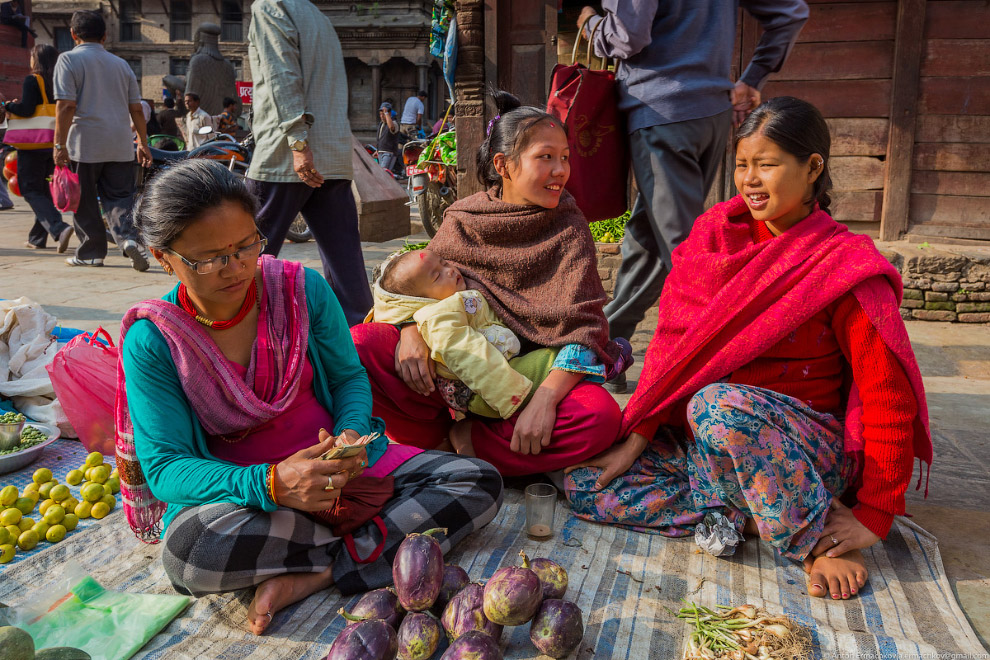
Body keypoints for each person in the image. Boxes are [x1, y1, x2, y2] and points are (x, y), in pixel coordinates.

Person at [564, 98, 933, 602]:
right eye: (742, 165)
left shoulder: (842, 265)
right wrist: (641, 433)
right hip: (716, 444)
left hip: (805, 449)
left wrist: (876, 513)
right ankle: (755, 513)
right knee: (588, 485)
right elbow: (677, 355)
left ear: (813, 167)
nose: (750, 180)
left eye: (767, 164)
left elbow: (887, 395)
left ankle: (813, 540)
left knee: (717, 407)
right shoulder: (715, 239)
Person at [120, 159, 503, 636]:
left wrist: (351, 436)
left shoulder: (301, 290)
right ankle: (374, 544)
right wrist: (272, 483)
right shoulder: (154, 341)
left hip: (344, 471)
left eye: (246, 246)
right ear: (164, 257)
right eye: (211, 258)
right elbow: (166, 469)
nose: (236, 267)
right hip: (251, 496)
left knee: (477, 481)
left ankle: (318, 573)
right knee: (190, 554)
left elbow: (347, 379)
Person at [351, 90, 628, 477]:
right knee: (364, 345)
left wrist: (545, 400)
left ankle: (466, 446)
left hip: (530, 375)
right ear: (504, 164)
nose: (560, 170)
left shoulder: (569, 227)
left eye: (564, 157)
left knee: (600, 417)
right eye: (545, 157)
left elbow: (584, 330)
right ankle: (437, 441)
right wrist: (410, 327)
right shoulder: (465, 218)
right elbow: (406, 287)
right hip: (455, 380)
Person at [577, 0, 809, 393]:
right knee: (649, 237)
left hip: (661, 112)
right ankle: (604, 352)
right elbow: (791, 13)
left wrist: (590, 24)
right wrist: (752, 78)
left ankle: (730, 366)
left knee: (685, 251)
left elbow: (627, 37)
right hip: (709, 115)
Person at [245, 0, 373, 326]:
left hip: (286, 155)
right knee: (348, 271)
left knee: (243, 253)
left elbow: (282, 74)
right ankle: (362, 346)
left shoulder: (271, 6)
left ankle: (233, 336)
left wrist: (299, 142)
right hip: (332, 153)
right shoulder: (318, 16)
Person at [372, 248, 556, 442]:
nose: (450, 271)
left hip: (497, 375)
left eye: (444, 263)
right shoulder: (438, 318)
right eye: (437, 276)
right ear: (422, 299)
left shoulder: (453, 299)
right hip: (488, 389)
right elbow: (469, 355)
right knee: (553, 360)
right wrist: (510, 395)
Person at [53, 9, 152, 270]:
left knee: (84, 201)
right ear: (105, 36)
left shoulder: (68, 60)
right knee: (120, 198)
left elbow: (65, 106)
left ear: (73, 34)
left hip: (84, 145)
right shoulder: (121, 65)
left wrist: (59, 145)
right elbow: (137, 109)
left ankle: (91, 253)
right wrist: (142, 142)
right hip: (120, 144)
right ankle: (129, 240)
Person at [2, 44, 73, 251]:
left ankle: (59, 228)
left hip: (33, 144)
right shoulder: (60, 81)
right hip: (54, 144)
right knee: (43, 190)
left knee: (29, 189)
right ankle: (36, 238)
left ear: (37, 60)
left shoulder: (33, 80)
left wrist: (9, 106)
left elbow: (26, 109)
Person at [376, 102, 399, 174]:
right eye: (380, 114)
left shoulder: (394, 123)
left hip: (389, 152)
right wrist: (377, 149)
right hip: (380, 152)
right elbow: (379, 137)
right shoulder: (381, 124)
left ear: (389, 114)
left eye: (383, 114)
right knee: (382, 173)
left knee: (384, 173)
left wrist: (386, 113)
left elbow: (391, 127)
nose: (381, 116)